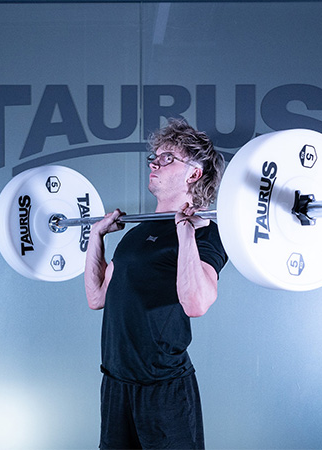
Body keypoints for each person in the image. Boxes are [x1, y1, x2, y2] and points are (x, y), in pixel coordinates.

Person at [85, 118, 228, 449]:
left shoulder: (207, 233)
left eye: (167, 158)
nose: (154, 163)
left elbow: (197, 303)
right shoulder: (135, 234)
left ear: (193, 173)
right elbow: (97, 297)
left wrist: (185, 230)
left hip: (164, 389)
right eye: (155, 157)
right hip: (116, 383)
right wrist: (96, 238)